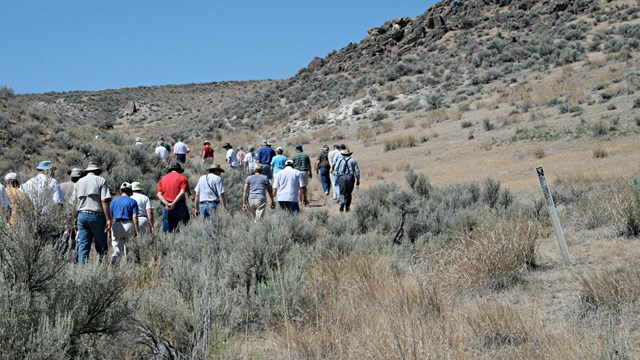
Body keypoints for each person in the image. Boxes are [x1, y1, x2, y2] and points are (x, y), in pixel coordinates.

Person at [73, 162, 113, 264]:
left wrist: (74, 220)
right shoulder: (101, 180)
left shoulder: (78, 182)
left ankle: (81, 272)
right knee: (102, 247)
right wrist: (108, 218)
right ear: (97, 171)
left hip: (81, 215)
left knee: (83, 247)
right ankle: (102, 270)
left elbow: (74, 204)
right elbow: (105, 201)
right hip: (97, 216)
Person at [109, 182, 139, 265]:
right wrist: (137, 230)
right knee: (129, 246)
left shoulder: (113, 201)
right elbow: (135, 216)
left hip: (116, 224)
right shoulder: (133, 201)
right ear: (130, 191)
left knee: (116, 244)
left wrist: (109, 229)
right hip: (128, 224)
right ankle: (127, 264)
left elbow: (110, 216)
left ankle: (115, 260)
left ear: (120, 191)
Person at [157, 162, 191, 233]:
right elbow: (182, 192)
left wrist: (167, 203)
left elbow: (159, 194)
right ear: (178, 170)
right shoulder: (183, 178)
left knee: (167, 230)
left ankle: (168, 243)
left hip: (167, 207)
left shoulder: (163, 179)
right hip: (180, 205)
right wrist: (173, 203)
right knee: (184, 228)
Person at [334, 148, 361, 212]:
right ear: (349, 154)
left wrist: (338, 177)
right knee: (349, 193)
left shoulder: (340, 160)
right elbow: (357, 172)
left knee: (342, 193)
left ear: (343, 154)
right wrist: (358, 180)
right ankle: (347, 207)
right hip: (350, 178)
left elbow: (336, 170)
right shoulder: (353, 160)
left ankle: (342, 203)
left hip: (341, 177)